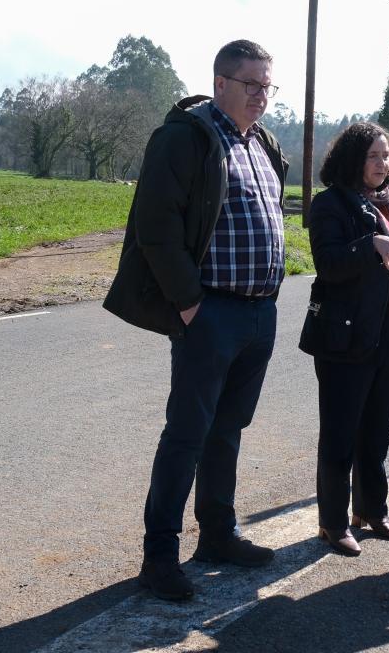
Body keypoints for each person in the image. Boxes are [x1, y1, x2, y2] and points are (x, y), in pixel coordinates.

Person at [103, 39, 288, 601]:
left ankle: (217, 535)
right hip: (210, 312)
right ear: (221, 83)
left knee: (227, 431)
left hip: (258, 312)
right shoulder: (185, 138)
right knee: (187, 434)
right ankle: (159, 555)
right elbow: (156, 228)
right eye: (251, 84)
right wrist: (190, 304)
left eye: (267, 85)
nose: (261, 95)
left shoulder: (262, 143)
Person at [299, 122, 389, 556]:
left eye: (386, 155)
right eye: (373, 156)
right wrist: (368, 245)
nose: (382, 164)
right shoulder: (330, 204)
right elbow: (329, 264)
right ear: (353, 159)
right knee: (339, 434)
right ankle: (333, 523)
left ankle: (371, 510)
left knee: (375, 432)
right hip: (346, 336)